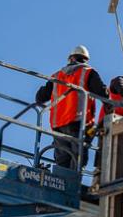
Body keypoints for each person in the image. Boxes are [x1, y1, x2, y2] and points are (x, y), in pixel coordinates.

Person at [35, 45, 107, 173]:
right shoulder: (89, 72)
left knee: (62, 161)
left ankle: (60, 184)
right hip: (79, 123)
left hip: (58, 124)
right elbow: (104, 94)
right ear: (85, 59)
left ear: (71, 58)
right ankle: (72, 186)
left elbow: (40, 97)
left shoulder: (57, 75)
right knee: (78, 160)